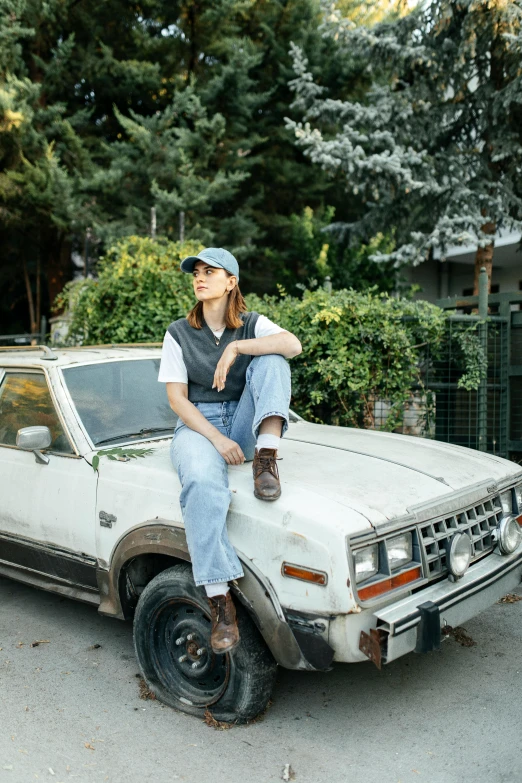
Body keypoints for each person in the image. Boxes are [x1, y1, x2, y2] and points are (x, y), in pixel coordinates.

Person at [158, 247, 302, 654]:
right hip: (198, 425)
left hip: (244, 421)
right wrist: (217, 439)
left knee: (274, 359)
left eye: (210, 271)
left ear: (231, 282)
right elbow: (177, 400)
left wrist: (237, 348)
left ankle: (266, 459)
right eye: (196, 272)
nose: (199, 278)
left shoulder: (251, 324)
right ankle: (220, 601)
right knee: (202, 485)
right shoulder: (178, 333)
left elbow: (292, 345)